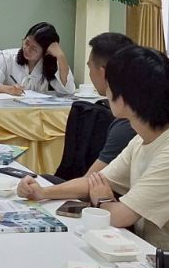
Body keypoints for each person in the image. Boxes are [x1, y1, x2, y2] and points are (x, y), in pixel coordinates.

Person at [18, 46, 169, 251]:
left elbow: (119, 216)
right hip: (157, 256)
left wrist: (103, 200)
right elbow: (94, 182)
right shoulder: (143, 139)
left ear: (126, 99)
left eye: (110, 86)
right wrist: (42, 192)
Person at [38, 32, 137, 186]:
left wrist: (41, 191)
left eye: (90, 67)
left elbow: (89, 183)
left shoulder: (126, 124)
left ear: (103, 72)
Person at [0, 21, 76, 95]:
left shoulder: (51, 63)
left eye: (34, 49)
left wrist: (61, 56)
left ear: (46, 52)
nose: (27, 49)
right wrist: (8, 89)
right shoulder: (8, 57)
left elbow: (68, 91)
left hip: (39, 111)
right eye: (26, 43)